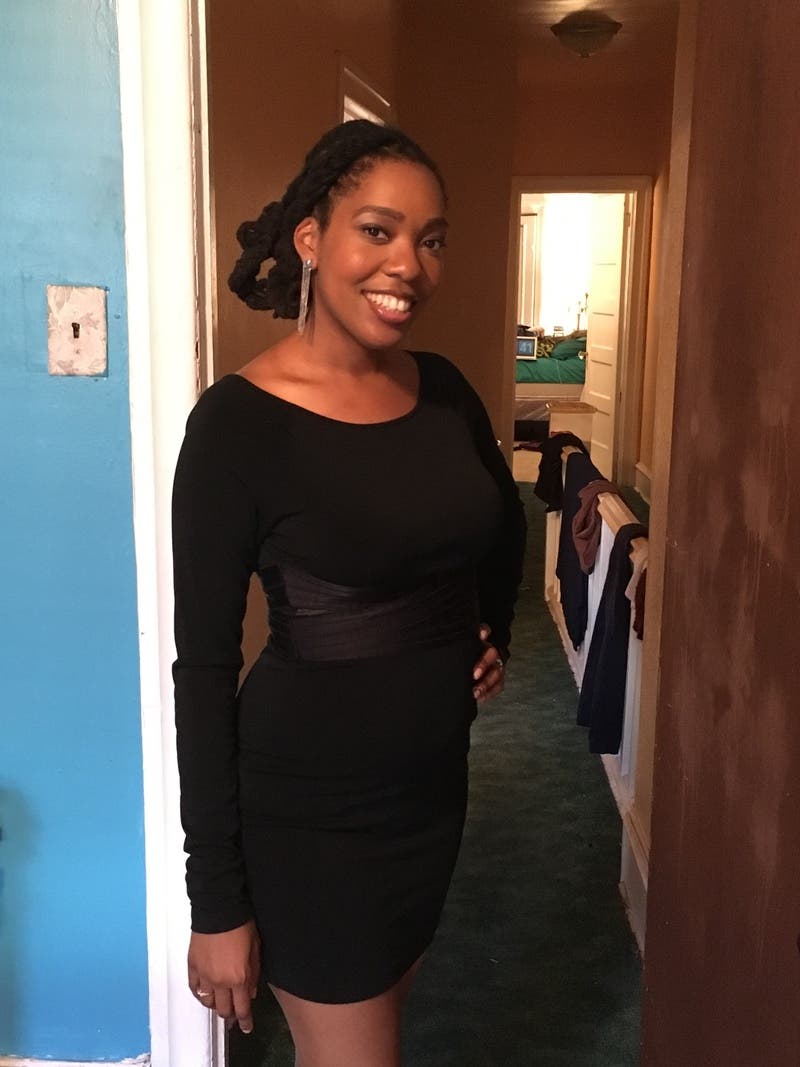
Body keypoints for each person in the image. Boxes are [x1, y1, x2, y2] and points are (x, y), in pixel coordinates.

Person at [171, 119, 527, 1066]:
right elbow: (202, 671)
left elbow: (502, 524)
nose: (408, 263)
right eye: (378, 230)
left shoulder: (444, 391)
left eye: (432, 239)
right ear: (311, 239)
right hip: (311, 816)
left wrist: (485, 630)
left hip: (432, 794)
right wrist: (216, 901)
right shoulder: (235, 427)